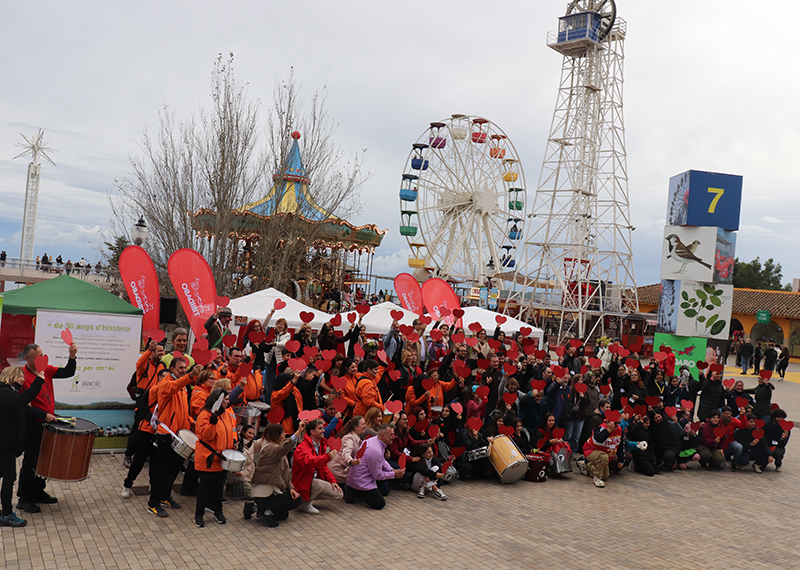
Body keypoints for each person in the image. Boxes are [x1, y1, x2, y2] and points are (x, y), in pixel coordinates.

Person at [17, 342, 76, 513]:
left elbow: (68, 372)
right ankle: (24, 498)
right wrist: (43, 415)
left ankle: (38, 491)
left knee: (44, 458)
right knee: (31, 460)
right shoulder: (22, 376)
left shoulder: (47, 369)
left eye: (42, 355)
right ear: (27, 359)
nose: (41, 359)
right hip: (32, 423)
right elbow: (21, 406)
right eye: (37, 357)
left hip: (47, 422)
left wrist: (72, 356)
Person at [147, 358, 201, 518]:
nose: (183, 370)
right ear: (172, 369)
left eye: (185, 368)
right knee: (162, 470)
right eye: (180, 368)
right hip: (166, 434)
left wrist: (191, 422)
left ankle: (165, 496)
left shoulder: (182, 386)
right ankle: (153, 503)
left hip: (179, 434)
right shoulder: (166, 384)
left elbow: (182, 410)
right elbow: (174, 387)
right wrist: (190, 375)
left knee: (173, 469)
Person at [0, 367, 44, 527]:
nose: (22, 379)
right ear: (10, 376)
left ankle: (5, 512)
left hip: (6, 443)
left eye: (23, 376)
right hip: (5, 444)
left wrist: (42, 415)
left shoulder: (9, 393)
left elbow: (21, 405)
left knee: (3, 475)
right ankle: (7, 515)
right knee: (9, 478)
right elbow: (21, 401)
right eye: (19, 376)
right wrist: (38, 382)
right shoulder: (5, 392)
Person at [249, 420, 307, 527]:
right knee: (297, 500)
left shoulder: (273, 447)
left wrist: (291, 488)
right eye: (282, 433)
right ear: (276, 435)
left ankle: (255, 508)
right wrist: (298, 431)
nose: (285, 434)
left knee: (283, 515)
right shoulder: (269, 449)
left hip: (273, 492)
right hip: (265, 494)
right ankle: (262, 510)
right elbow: (284, 448)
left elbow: (285, 473)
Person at [193, 387, 236, 527]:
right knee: (205, 489)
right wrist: (212, 422)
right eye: (226, 399)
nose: (228, 402)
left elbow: (230, 432)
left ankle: (218, 511)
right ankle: (199, 514)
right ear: (218, 400)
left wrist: (234, 442)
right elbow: (206, 436)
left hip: (221, 459)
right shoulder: (205, 415)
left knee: (218, 488)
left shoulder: (226, 414)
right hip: (208, 459)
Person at [344, 423, 405, 509]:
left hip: (357, 477)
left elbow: (382, 459)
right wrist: (394, 475)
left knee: (385, 488)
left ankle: (353, 490)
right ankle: (355, 492)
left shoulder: (374, 440)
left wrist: (392, 470)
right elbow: (377, 475)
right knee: (380, 504)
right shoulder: (375, 450)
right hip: (361, 481)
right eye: (391, 435)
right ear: (383, 435)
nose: (393, 437)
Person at [291, 418, 343, 514]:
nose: (323, 430)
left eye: (322, 428)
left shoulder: (321, 444)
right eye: (320, 428)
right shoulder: (302, 447)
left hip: (314, 480)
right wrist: (327, 457)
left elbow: (323, 466)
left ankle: (304, 499)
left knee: (339, 494)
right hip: (302, 482)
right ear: (312, 432)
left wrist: (332, 480)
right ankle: (304, 503)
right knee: (319, 485)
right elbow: (310, 462)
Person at [582, 413, 623, 488]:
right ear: (608, 422)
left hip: (604, 453)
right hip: (590, 450)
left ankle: (586, 466)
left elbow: (620, 445)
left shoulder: (619, 430)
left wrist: (621, 460)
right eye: (615, 424)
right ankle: (597, 478)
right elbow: (599, 439)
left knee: (605, 476)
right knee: (603, 457)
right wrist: (608, 431)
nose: (616, 426)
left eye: (617, 424)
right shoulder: (600, 428)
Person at [328, 416, 366, 485]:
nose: (365, 426)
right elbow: (346, 453)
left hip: (341, 470)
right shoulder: (349, 438)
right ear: (355, 427)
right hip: (338, 472)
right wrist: (351, 461)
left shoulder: (357, 437)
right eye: (363, 424)